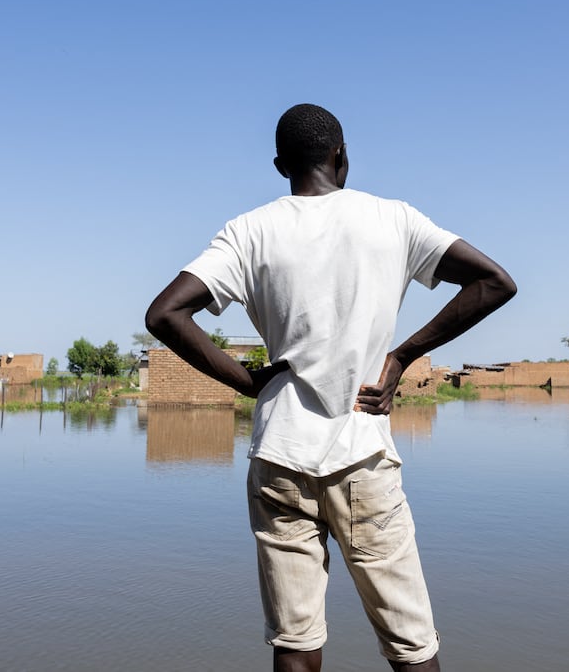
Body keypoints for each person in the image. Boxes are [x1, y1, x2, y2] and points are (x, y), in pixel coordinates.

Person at [145, 103, 516, 672]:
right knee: (412, 646)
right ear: (342, 156)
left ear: (279, 166)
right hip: (362, 455)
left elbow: (165, 314)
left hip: (279, 457)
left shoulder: (248, 232)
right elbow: (495, 282)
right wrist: (402, 356)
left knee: (295, 645)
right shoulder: (393, 219)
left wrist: (248, 383)